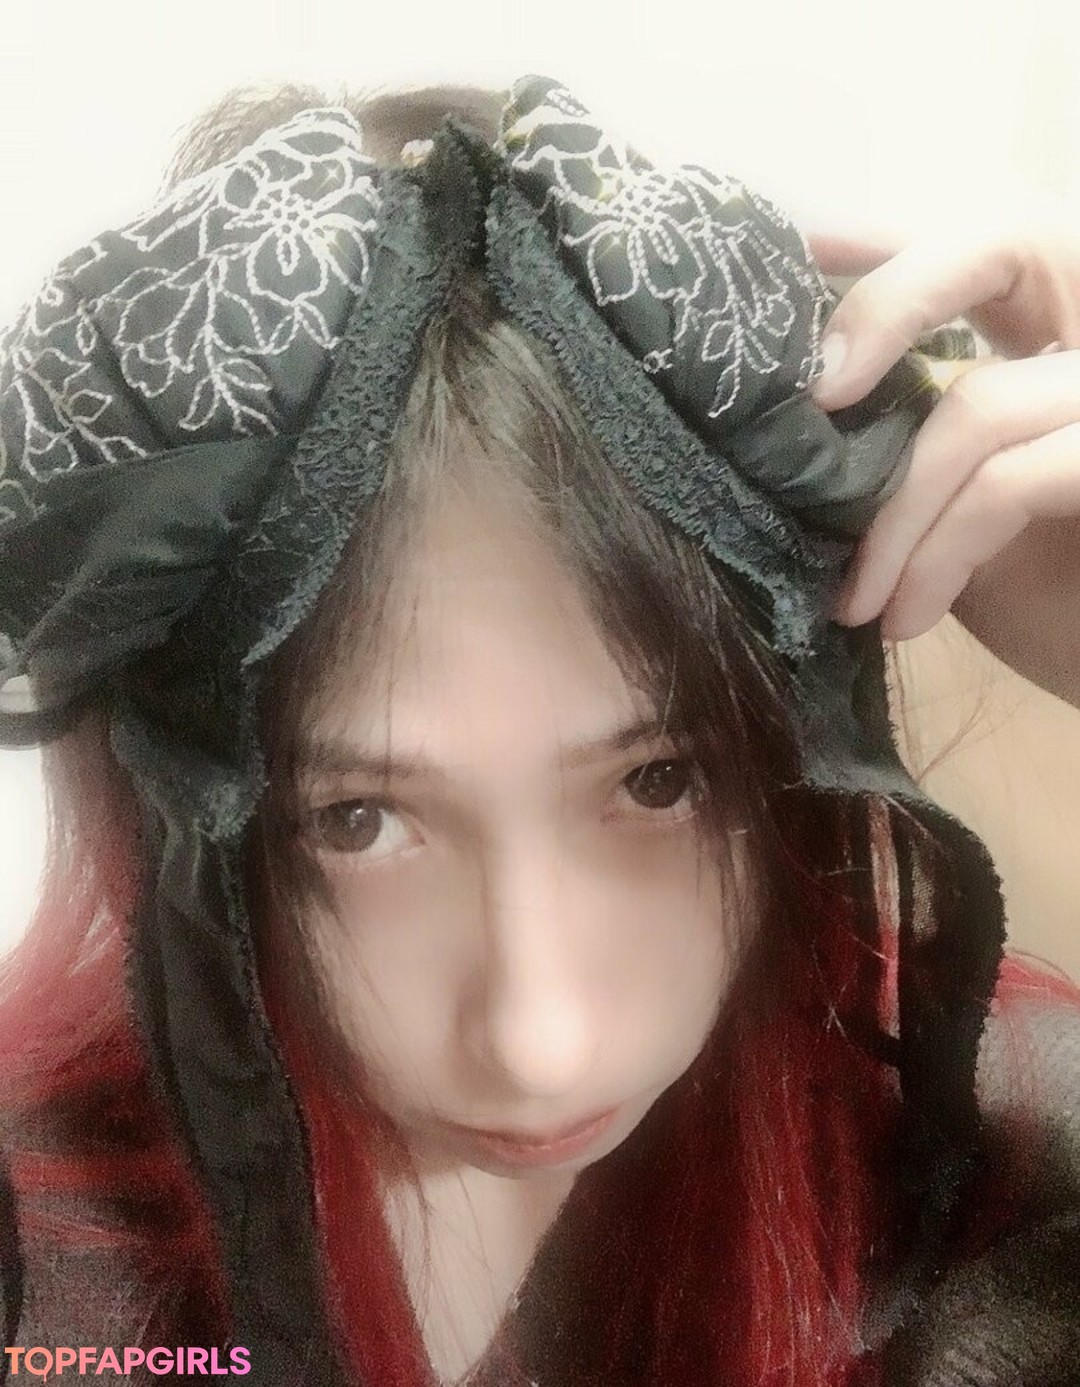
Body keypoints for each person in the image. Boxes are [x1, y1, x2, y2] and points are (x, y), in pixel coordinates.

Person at [0, 74, 1077, 1387]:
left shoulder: (1015, 1170)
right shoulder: (40, 1272)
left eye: (661, 780)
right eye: (356, 819)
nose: (541, 1043)